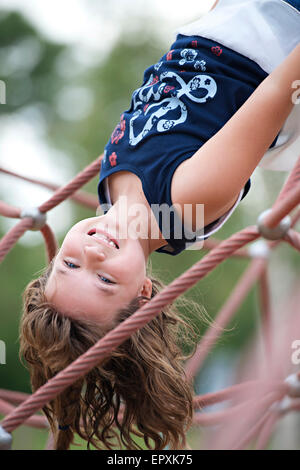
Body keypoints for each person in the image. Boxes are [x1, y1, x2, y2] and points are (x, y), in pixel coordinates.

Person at [20, 0, 300, 450]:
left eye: (69, 265)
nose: (91, 254)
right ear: (144, 292)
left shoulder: (111, 188)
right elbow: (284, 86)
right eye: (106, 279)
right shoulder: (188, 203)